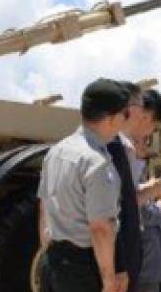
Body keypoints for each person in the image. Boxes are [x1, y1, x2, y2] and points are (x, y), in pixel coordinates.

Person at [37, 78, 130, 292]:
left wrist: (48, 256)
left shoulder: (56, 152)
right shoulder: (96, 163)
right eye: (124, 115)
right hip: (82, 268)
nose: (124, 121)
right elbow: (100, 228)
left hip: (52, 262)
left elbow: (43, 209)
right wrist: (108, 282)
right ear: (111, 119)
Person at [131, 89, 161, 292]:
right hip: (141, 270)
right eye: (152, 128)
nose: (147, 141)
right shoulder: (125, 160)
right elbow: (134, 209)